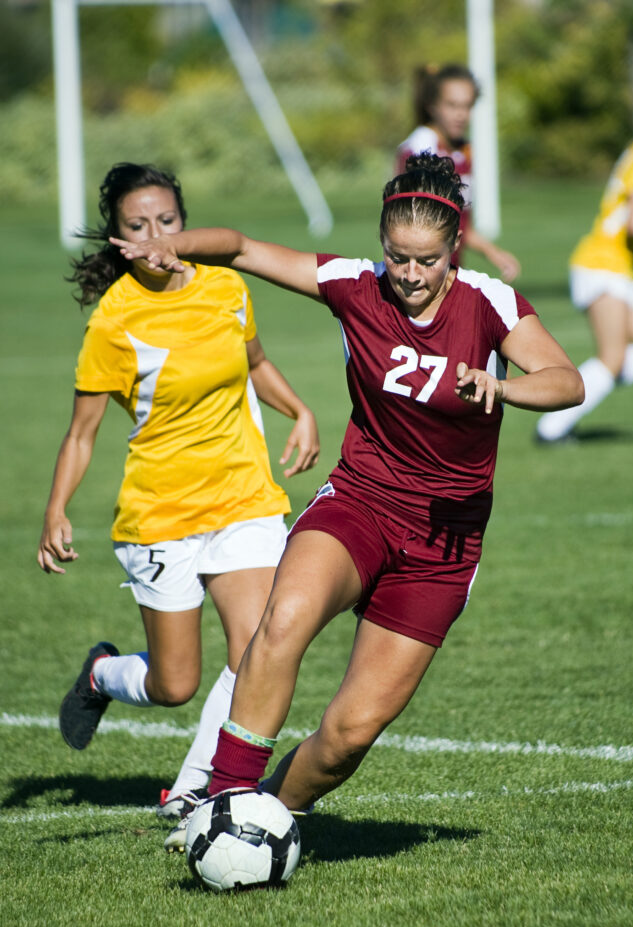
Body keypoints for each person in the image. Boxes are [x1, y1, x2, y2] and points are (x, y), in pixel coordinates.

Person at [112, 153, 583, 844]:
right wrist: (168, 243)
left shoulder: (490, 303)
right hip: (360, 501)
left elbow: (565, 380)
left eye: (426, 260)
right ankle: (224, 802)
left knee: (348, 736)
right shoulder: (351, 284)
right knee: (284, 620)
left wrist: (504, 388)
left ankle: (263, 815)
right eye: (398, 257)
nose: (411, 275)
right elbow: (242, 247)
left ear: (453, 251)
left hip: (443, 543)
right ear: (382, 245)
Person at [38, 162, 320, 818]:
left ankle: (197, 789)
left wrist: (299, 410)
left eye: (166, 220)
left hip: (245, 497)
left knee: (256, 648)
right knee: (175, 684)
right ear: (118, 238)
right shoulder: (114, 321)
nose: (154, 235)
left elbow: (255, 364)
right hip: (161, 513)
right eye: (137, 225)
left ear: (184, 224)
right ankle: (102, 675)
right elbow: (81, 433)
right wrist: (56, 509)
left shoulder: (225, 288)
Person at [536, 85, 633, 443]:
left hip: (621, 267)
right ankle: (552, 426)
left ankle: (584, 391)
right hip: (601, 264)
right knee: (612, 358)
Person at [396, 63, 521, 282]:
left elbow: (460, 223)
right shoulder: (420, 150)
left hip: (449, 274)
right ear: (431, 106)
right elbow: (411, 225)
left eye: (467, 106)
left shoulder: (463, 152)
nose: (461, 115)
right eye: (452, 105)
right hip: (418, 278)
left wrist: (493, 253)